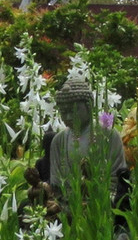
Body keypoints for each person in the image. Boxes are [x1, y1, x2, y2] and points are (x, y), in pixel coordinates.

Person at [49, 76, 127, 206]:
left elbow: (117, 179)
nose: (69, 116)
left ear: (89, 106)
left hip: (101, 202)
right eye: (64, 112)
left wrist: (95, 195)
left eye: (74, 110)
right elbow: (56, 183)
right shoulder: (59, 140)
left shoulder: (108, 135)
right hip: (68, 203)